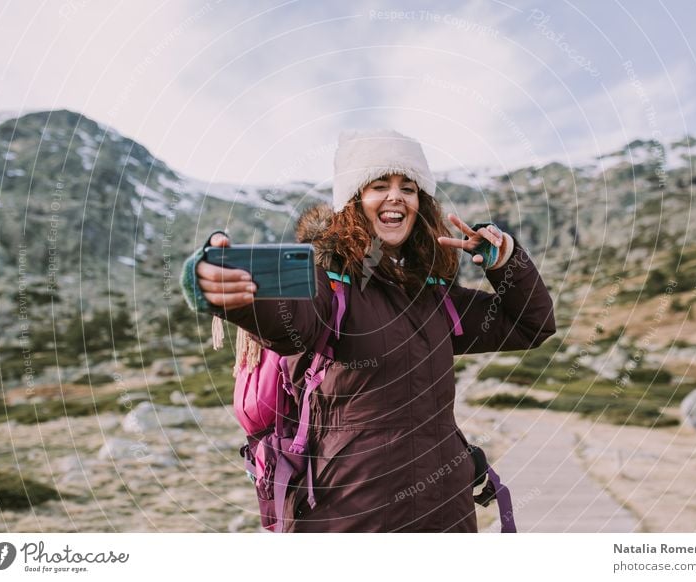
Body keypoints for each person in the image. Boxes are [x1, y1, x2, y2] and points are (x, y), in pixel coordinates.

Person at [180, 129, 556, 532]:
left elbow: (530, 325)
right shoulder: (328, 286)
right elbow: (286, 321)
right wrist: (228, 291)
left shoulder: (435, 298)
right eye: (380, 185)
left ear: (420, 205)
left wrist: (506, 264)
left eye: (408, 188)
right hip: (352, 517)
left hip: (448, 513)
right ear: (353, 203)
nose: (396, 196)